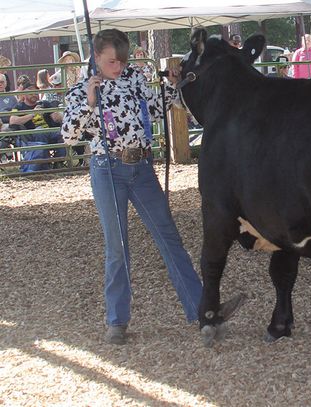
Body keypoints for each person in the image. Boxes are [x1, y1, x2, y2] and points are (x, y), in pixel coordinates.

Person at [61, 28, 244, 345]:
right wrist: (90, 102)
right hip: (108, 169)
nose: (117, 67)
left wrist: (175, 84)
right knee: (117, 247)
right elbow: (69, 136)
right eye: (111, 62)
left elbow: (160, 106)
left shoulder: (134, 78)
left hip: (142, 168)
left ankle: (203, 312)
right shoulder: (82, 88)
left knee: (169, 238)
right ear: (97, 57)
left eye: (121, 61)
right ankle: (116, 321)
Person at [9, 82, 65, 172]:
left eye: (36, 92)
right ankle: (44, 163)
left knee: (64, 133)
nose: (34, 95)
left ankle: (59, 162)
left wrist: (54, 113)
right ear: (24, 94)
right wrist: (32, 114)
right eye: (31, 93)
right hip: (32, 136)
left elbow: (57, 119)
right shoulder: (19, 107)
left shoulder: (45, 103)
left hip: (50, 131)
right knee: (40, 131)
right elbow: (12, 121)